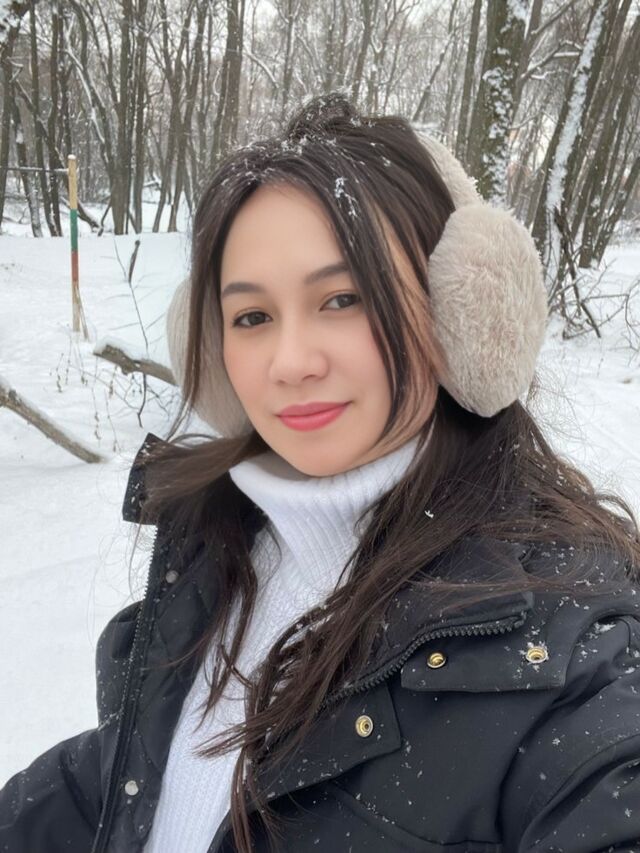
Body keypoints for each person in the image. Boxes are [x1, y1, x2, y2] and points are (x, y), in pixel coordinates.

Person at [2, 92, 640, 853]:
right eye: (251, 316)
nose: (290, 362)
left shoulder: (569, 648)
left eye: (342, 299)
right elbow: (129, 777)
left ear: (460, 314)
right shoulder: (217, 544)